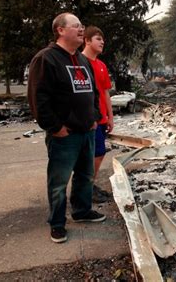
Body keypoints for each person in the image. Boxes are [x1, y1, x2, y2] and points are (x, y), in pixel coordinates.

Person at [27, 12, 106, 244]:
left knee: (85, 175)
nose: (82, 30)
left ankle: (82, 211)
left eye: (82, 26)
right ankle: (57, 224)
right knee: (59, 181)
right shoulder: (46, 59)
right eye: (76, 26)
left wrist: (95, 118)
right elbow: (38, 98)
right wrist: (55, 127)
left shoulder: (82, 60)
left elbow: (93, 93)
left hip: (87, 131)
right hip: (64, 135)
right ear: (60, 30)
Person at [82, 26, 114, 203]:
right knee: (93, 153)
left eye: (102, 39)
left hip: (101, 118)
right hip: (87, 120)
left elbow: (106, 92)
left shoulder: (101, 65)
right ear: (87, 41)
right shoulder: (79, 62)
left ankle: (89, 185)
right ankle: (85, 188)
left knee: (99, 153)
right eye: (97, 39)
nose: (102, 42)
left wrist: (110, 116)